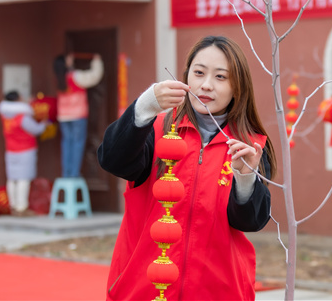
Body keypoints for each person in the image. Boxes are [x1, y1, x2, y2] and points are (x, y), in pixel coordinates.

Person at [98, 35, 277, 301]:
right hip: (144, 288)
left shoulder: (249, 147)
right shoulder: (156, 130)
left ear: (238, 87)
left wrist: (245, 177)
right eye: (199, 73)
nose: (206, 85)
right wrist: (144, 107)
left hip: (218, 292)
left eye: (220, 77)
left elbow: (251, 221)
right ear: (186, 76)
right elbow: (112, 160)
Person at [54, 52, 104, 178]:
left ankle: (66, 173)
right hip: (77, 116)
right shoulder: (75, 76)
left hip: (63, 116)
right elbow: (94, 76)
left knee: (66, 144)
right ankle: (74, 174)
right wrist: (97, 61)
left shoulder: (60, 78)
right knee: (77, 144)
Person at [0, 90, 48, 216]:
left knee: (12, 179)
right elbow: (35, 129)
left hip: (10, 150)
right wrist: (44, 124)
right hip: (25, 150)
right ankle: (22, 207)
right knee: (23, 179)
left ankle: (13, 206)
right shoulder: (22, 117)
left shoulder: (5, 115)